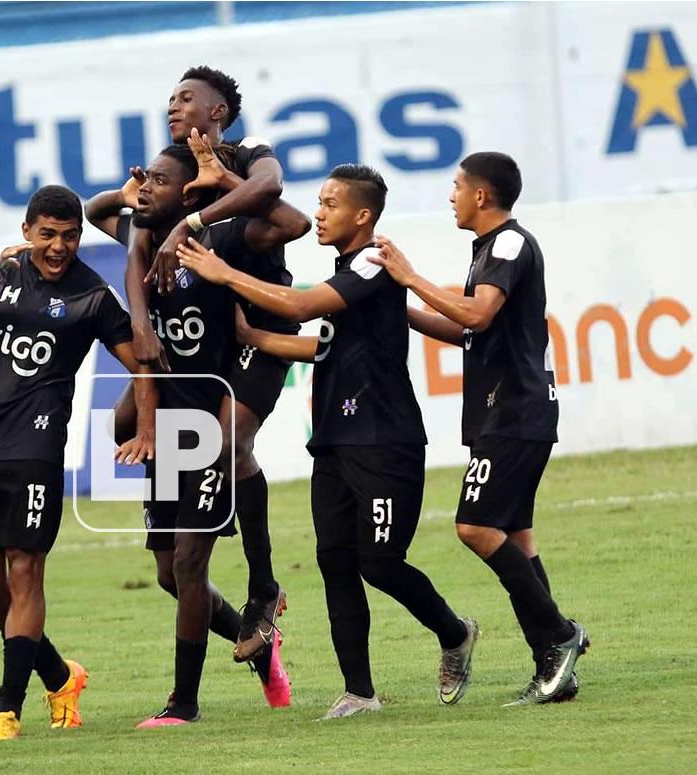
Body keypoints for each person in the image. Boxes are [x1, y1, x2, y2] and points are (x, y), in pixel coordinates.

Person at [176, 164, 478, 719]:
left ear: (362, 215)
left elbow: (300, 307)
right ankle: (359, 693)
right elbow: (323, 346)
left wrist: (223, 273)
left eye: (330, 203)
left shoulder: (374, 260)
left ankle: (455, 632)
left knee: (380, 563)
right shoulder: (348, 271)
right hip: (335, 441)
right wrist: (253, 337)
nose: (318, 212)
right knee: (335, 561)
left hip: (385, 440)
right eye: (318, 201)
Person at [0, 185, 157, 740]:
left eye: (70, 236)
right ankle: (57, 673)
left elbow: (142, 362)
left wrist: (145, 428)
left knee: (24, 570)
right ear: (27, 232)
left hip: (37, 448)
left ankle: (7, 710)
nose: (59, 247)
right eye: (48, 235)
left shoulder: (92, 297)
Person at [87, 143, 307, 725]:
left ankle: (183, 705)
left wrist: (212, 194)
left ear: (188, 192)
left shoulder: (221, 240)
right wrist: (128, 193)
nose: (147, 185)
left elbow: (290, 222)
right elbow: (92, 209)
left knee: (189, 564)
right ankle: (260, 648)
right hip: (165, 422)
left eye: (160, 179)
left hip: (207, 420)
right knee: (167, 573)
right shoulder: (140, 231)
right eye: (147, 179)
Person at [367, 151, 588, 705]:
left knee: (475, 527)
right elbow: (469, 331)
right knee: (515, 536)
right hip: (510, 412)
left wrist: (410, 276)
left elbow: (478, 314)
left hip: (515, 411)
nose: (451, 195)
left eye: (457, 186)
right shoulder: (489, 250)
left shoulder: (509, 243)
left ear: (482, 195)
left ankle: (560, 636)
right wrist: (399, 310)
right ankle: (554, 669)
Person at [122, 65, 304, 663]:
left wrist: (198, 213)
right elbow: (123, 225)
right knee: (159, 432)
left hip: (264, 326)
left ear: (218, 111)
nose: (174, 105)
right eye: (170, 97)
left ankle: (262, 586)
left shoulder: (249, 154)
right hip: (220, 336)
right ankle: (260, 591)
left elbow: (282, 208)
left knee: (224, 445)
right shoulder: (168, 175)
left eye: (187, 98)